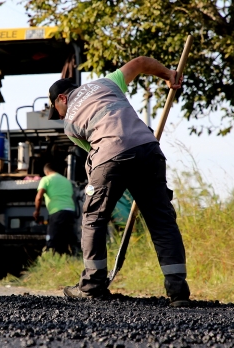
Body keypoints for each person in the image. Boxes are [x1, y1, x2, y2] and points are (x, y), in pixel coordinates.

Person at [46, 56, 190, 307]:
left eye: (56, 111)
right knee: (162, 221)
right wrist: (169, 74)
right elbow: (142, 62)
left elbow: (96, 159)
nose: (59, 116)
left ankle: (92, 287)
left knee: (93, 219)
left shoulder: (70, 124)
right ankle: (178, 293)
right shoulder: (107, 82)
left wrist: (100, 193)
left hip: (109, 155)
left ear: (62, 98)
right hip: (148, 149)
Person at [33, 163, 77, 255]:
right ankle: (68, 259)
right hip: (70, 211)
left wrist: (37, 211)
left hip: (57, 212)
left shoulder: (46, 179)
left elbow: (39, 197)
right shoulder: (66, 180)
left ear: (46, 172)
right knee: (66, 238)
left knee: (53, 239)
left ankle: (52, 258)